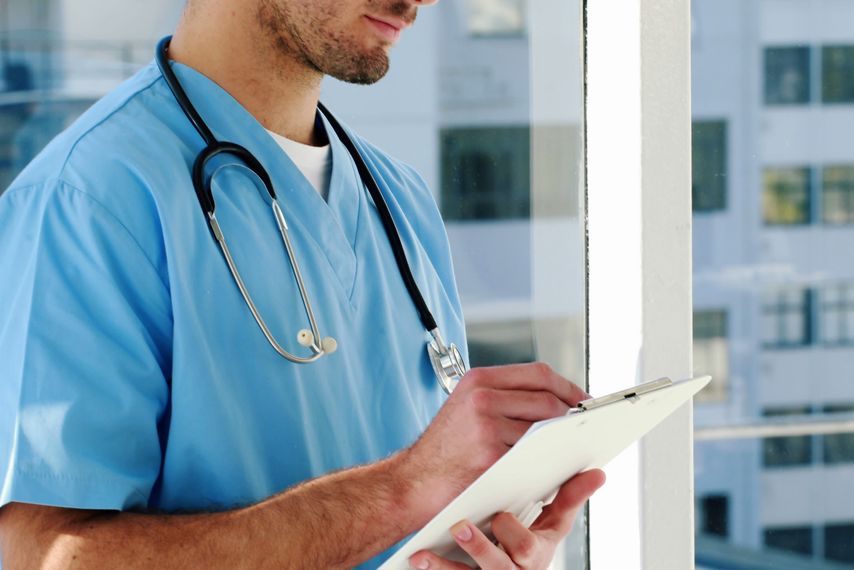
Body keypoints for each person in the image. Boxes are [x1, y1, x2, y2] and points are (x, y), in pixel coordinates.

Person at [0, 0, 604, 568]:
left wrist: (476, 540)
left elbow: (410, 524)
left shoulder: (400, 200)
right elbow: (41, 555)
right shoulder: (88, 199)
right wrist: (401, 491)